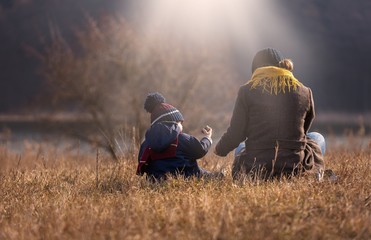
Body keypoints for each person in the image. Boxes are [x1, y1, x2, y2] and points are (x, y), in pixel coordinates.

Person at [214, 48, 327, 180]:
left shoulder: (247, 91)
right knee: (316, 137)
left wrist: (220, 149)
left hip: (256, 167)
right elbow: (304, 130)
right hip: (294, 166)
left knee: (241, 146)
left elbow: (236, 133)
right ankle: (316, 174)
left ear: (256, 69)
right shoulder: (305, 92)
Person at [137, 92, 222, 181]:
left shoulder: (146, 143)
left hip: (155, 181)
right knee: (218, 176)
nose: (182, 125)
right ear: (174, 124)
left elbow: (142, 163)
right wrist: (207, 138)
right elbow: (200, 151)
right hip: (187, 178)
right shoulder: (183, 139)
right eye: (180, 122)